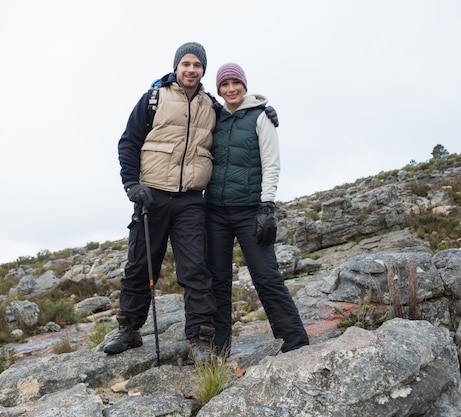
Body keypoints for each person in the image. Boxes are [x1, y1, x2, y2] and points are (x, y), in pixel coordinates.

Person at [106, 42, 218, 363]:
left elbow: (234, 129)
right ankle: (129, 329)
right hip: (151, 196)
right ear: (177, 66)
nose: (191, 69)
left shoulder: (211, 106)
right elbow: (129, 142)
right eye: (186, 63)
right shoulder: (153, 99)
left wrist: (260, 110)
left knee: (196, 269)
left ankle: (200, 339)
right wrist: (131, 185)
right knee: (140, 265)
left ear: (203, 70)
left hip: (191, 202)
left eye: (197, 65)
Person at [205, 62, 310, 356]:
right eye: (224, 85)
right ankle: (219, 349)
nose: (230, 89)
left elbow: (272, 164)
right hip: (215, 212)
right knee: (218, 281)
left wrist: (267, 206)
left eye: (235, 83)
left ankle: (296, 342)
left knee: (266, 276)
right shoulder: (214, 115)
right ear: (219, 90)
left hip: (250, 210)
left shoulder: (261, 117)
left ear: (244, 85)